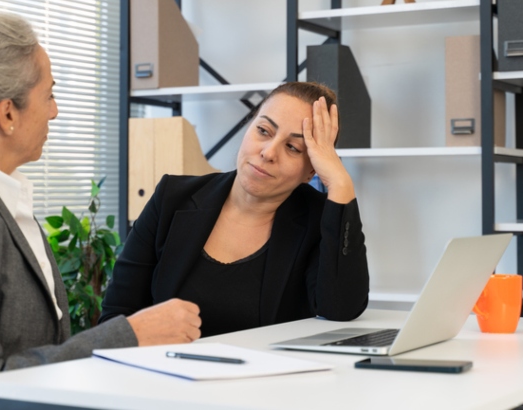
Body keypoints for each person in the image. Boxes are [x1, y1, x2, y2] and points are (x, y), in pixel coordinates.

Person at [0, 11, 201, 410]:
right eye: (50, 95)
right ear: (8, 113)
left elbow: (39, 345)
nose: (55, 111)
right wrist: (130, 335)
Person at [100, 81, 369, 337]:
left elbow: (340, 309)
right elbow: (117, 317)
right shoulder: (172, 198)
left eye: (292, 147)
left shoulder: (321, 219)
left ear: (311, 170)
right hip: (164, 377)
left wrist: (340, 182)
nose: (268, 152)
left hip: (270, 381)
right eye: (263, 131)